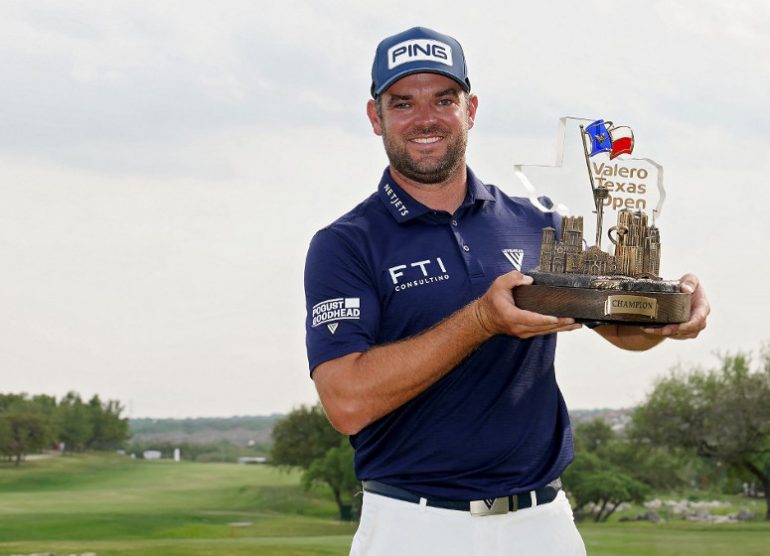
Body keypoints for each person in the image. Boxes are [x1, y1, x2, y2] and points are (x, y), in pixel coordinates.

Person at [303, 26, 709, 555]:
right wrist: (481, 320)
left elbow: (618, 326)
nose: (425, 119)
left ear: (470, 110)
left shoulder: (536, 223)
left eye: (443, 100)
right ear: (375, 116)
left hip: (543, 524)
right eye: (403, 103)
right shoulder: (345, 244)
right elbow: (346, 403)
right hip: (414, 524)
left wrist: (668, 317)